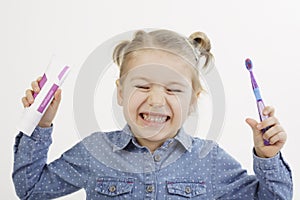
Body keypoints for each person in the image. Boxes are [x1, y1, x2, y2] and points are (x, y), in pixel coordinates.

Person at [13, 29, 293, 199]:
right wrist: (42, 122)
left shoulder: (210, 160)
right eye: (143, 85)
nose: (157, 100)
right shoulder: (94, 151)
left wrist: (268, 158)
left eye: (173, 90)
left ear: (193, 101)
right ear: (121, 93)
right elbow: (30, 189)